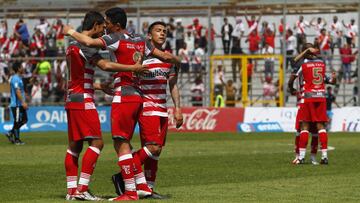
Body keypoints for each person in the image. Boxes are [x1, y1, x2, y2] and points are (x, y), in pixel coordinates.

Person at [64, 7, 180, 201]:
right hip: (138, 97)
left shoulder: (114, 38)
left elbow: (92, 45)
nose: (105, 27)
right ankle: (140, 186)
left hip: (122, 97)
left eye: (107, 23)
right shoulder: (141, 40)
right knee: (125, 143)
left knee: (120, 143)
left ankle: (129, 192)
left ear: (116, 25)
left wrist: (69, 31)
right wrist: (179, 60)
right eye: (103, 24)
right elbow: (166, 57)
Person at [136, 21, 183, 196]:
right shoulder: (142, 56)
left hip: (162, 110)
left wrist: (178, 109)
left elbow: (173, 85)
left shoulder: (168, 59)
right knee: (153, 147)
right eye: (158, 30)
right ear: (149, 35)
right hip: (147, 108)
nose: (162, 33)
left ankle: (148, 188)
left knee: (156, 152)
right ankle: (126, 167)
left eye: (164, 31)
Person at [288, 43, 332, 165]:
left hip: (306, 98)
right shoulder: (321, 63)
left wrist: (291, 89)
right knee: (318, 129)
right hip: (320, 96)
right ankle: (319, 156)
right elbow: (327, 80)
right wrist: (332, 80)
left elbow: (293, 63)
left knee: (302, 128)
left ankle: (300, 156)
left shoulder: (302, 64)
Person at [4, 62, 28, 145]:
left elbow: (20, 91)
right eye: (21, 66)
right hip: (16, 105)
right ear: (18, 68)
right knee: (17, 121)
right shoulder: (15, 79)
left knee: (24, 120)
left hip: (20, 104)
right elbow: (17, 91)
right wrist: (23, 102)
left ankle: (10, 133)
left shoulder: (19, 78)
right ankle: (17, 140)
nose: (23, 68)